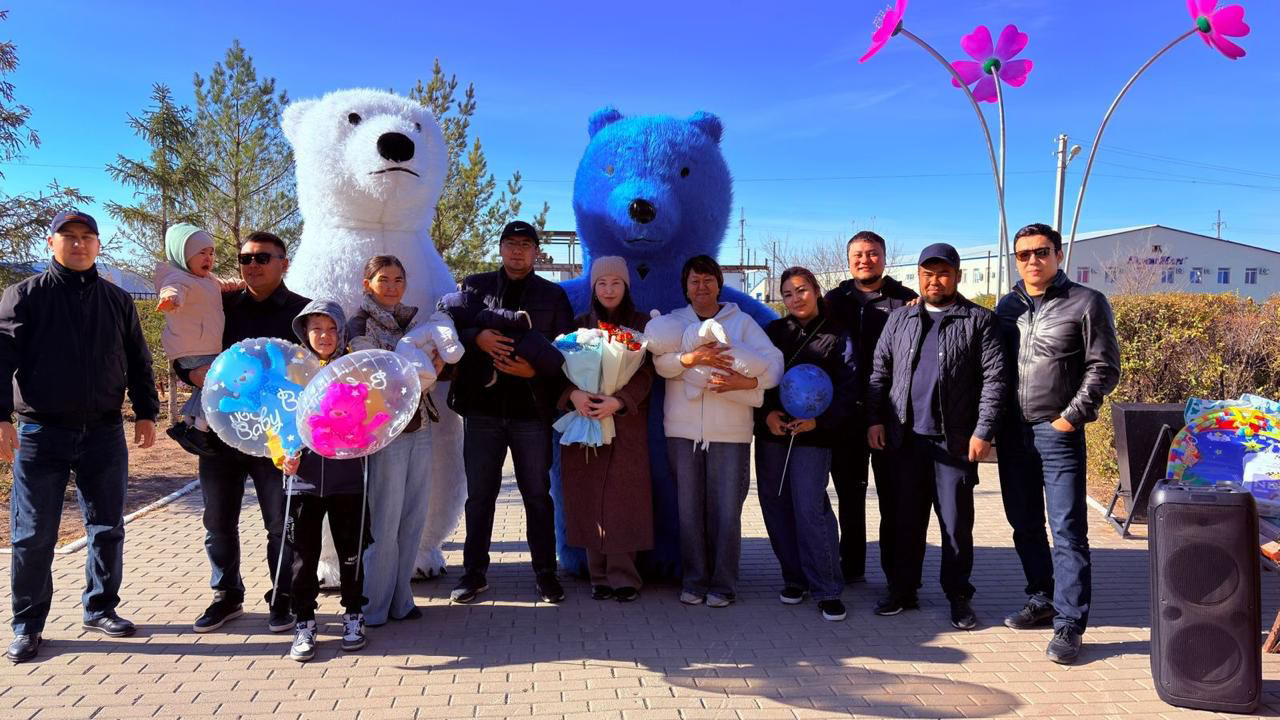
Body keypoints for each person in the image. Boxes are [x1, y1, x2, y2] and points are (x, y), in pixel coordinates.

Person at [0, 209, 159, 663]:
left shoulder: (117, 299)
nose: (78, 244)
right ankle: (28, 625)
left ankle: (100, 608)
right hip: (40, 432)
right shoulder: (24, 296)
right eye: (68, 236)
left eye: (87, 236)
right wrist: (0, 418)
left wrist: (146, 411)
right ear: (51, 243)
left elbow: (138, 357)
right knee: (33, 534)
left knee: (107, 527)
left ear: (98, 244)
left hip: (104, 432)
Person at [995, 223, 1121, 664]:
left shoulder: (1086, 303)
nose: (1032, 260)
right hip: (1013, 434)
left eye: (1041, 252)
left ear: (1058, 254)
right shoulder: (1006, 307)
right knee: (1024, 524)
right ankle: (1041, 597)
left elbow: (1103, 368)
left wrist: (1070, 418)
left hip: (1057, 433)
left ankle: (1069, 622)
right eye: (1024, 254)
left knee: (1067, 531)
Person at [866, 243, 1005, 630]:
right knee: (902, 521)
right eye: (928, 273)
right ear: (918, 276)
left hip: (954, 442)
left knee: (956, 524)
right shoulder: (900, 321)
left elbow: (995, 380)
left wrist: (984, 431)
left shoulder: (979, 320)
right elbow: (879, 373)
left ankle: (958, 595)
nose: (935, 280)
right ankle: (902, 590)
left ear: (957, 276)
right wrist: (875, 420)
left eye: (943, 273)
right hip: (905, 440)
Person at [448, 221, 575, 605]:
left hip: (531, 413)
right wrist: (476, 337)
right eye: (510, 244)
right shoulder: (475, 285)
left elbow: (569, 351)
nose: (517, 251)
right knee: (480, 496)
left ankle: (545, 572)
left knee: (537, 495)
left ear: (537, 251)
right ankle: (473, 573)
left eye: (525, 245)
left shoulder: (553, 296)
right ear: (500, 248)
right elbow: (449, 328)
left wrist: (535, 370)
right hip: (482, 410)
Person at [190, 231, 309, 634]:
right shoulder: (221, 306)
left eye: (262, 258)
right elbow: (189, 347)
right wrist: (187, 372)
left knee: (281, 523)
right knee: (217, 520)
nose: (252, 265)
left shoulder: (304, 313)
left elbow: (318, 370)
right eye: (245, 259)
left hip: (278, 438)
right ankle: (226, 596)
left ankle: (283, 598)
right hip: (223, 433)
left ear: (284, 263)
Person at [654, 254, 783, 608]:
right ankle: (694, 581)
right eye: (694, 281)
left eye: (708, 280)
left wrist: (748, 380)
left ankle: (723, 584)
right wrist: (688, 360)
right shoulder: (674, 323)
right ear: (685, 286)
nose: (701, 287)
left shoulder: (741, 322)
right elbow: (659, 362)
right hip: (681, 432)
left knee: (726, 510)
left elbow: (774, 364)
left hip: (731, 433)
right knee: (689, 510)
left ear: (718, 284)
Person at [347, 255, 443, 626]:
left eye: (398, 279)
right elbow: (372, 373)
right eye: (383, 279)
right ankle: (373, 607)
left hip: (419, 425)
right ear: (366, 283)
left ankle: (401, 599)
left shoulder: (413, 320)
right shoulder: (359, 324)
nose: (392, 286)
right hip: (385, 433)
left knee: (413, 517)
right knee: (384, 523)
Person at [754, 267, 855, 622]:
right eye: (788, 294)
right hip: (774, 434)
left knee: (810, 508)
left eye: (802, 290)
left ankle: (827, 588)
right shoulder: (773, 332)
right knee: (775, 506)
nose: (796, 298)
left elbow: (848, 388)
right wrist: (766, 415)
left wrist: (819, 421)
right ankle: (794, 578)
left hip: (815, 434)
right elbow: (760, 381)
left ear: (816, 290)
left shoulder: (838, 335)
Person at [822, 230, 917, 585]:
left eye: (873, 253)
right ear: (849, 260)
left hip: (891, 415)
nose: (865, 259)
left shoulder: (905, 300)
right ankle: (852, 568)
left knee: (893, 497)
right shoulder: (834, 300)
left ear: (884, 257)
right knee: (849, 494)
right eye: (858, 254)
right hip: (845, 414)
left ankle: (895, 574)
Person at [558, 256, 654, 602]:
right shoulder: (578, 326)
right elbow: (558, 372)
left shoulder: (641, 324)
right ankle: (597, 574)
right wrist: (575, 395)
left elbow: (647, 374)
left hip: (624, 424)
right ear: (593, 288)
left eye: (616, 282)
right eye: (602, 283)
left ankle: (624, 575)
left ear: (626, 286)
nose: (609, 289)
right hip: (585, 421)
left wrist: (620, 400)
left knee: (622, 500)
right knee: (588, 496)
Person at [280, 299, 369, 661]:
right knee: (304, 555)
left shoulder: (355, 369)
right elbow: (279, 419)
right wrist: (281, 455)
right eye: (317, 328)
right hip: (303, 479)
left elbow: (372, 414)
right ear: (304, 331)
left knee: (351, 550)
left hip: (348, 475)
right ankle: (304, 621)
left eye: (332, 328)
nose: (325, 335)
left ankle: (353, 614)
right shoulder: (293, 371)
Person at [154, 223, 224, 457]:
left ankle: (187, 424)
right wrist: (170, 300)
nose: (209, 258)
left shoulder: (209, 280)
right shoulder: (178, 278)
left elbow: (225, 285)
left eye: (211, 253)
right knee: (219, 383)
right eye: (201, 253)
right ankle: (198, 430)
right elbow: (173, 290)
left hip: (204, 346)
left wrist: (243, 283)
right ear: (183, 256)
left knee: (205, 387)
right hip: (192, 348)